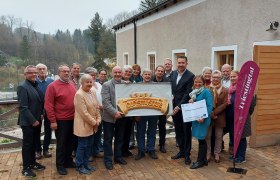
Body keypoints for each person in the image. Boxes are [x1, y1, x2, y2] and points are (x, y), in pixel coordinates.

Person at [45, 64, 77, 175]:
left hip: (73, 119)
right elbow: (48, 105)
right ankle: (60, 165)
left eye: (68, 71)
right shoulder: (52, 86)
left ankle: (68, 161)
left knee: (71, 142)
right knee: (62, 144)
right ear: (59, 73)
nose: (67, 73)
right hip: (61, 120)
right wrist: (53, 121)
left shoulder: (72, 84)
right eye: (64, 71)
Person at [17, 65, 45, 177]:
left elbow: (39, 102)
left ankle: (33, 163)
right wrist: (33, 120)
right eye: (30, 73)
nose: (33, 74)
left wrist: (42, 113)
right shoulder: (22, 87)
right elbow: (23, 107)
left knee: (34, 143)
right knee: (28, 145)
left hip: (37, 120)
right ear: (25, 75)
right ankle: (26, 168)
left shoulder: (35, 85)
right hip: (28, 122)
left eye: (34, 72)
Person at [74, 74, 101, 174]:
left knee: (89, 145)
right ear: (82, 83)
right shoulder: (79, 95)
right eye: (87, 82)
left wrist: (98, 119)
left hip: (93, 125)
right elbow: (84, 113)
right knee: (82, 146)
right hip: (83, 126)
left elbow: (97, 107)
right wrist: (95, 122)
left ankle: (86, 164)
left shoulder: (93, 92)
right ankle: (79, 165)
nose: (89, 84)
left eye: (91, 82)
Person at [227, 70, 256, 164]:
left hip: (241, 118)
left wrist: (245, 115)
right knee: (234, 137)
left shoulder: (245, 89)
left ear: (239, 77)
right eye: (231, 77)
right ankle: (235, 154)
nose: (232, 78)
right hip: (232, 118)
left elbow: (251, 105)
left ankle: (241, 157)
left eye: (234, 76)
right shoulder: (230, 89)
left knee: (241, 138)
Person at [102, 66, 127, 170]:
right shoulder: (106, 85)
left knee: (120, 138)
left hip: (121, 117)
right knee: (108, 140)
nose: (117, 74)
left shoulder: (125, 84)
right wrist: (114, 112)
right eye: (115, 72)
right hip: (109, 118)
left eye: (119, 72)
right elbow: (105, 102)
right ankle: (108, 160)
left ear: (122, 73)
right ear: (112, 73)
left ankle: (118, 157)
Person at [171, 56, 194, 165]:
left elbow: (187, 93)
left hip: (184, 108)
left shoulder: (190, 76)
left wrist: (178, 106)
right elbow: (171, 89)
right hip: (174, 107)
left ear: (186, 63)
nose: (180, 64)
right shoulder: (173, 74)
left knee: (186, 131)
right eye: (179, 62)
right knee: (178, 130)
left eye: (182, 63)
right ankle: (181, 150)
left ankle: (187, 154)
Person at [189, 75, 213, 169]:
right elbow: (195, 105)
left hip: (203, 119)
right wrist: (191, 101)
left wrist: (203, 117)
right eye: (196, 82)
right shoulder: (194, 93)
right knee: (201, 139)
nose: (197, 84)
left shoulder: (206, 91)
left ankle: (200, 162)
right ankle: (204, 160)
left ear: (203, 83)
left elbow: (209, 106)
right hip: (196, 119)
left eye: (199, 82)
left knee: (201, 139)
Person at [135, 69, 159, 160]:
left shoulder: (156, 86)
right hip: (141, 112)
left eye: (149, 74)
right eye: (146, 74)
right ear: (142, 75)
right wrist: (136, 114)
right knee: (140, 132)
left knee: (152, 131)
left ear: (151, 75)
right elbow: (135, 101)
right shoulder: (137, 86)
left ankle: (151, 149)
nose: (147, 76)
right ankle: (141, 150)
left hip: (153, 112)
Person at [206, 70, 228, 163]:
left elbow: (225, 103)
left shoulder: (225, 90)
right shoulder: (207, 89)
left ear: (220, 78)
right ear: (211, 78)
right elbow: (205, 102)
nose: (215, 79)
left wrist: (214, 113)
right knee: (208, 136)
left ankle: (217, 153)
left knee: (218, 136)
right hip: (208, 115)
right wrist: (210, 113)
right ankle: (208, 153)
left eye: (217, 77)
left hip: (220, 116)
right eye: (214, 77)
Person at [35, 63, 53, 159]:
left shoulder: (51, 81)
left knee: (48, 130)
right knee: (37, 130)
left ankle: (46, 149)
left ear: (46, 70)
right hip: (37, 110)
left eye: (43, 69)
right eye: (40, 69)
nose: (42, 70)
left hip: (49, 109)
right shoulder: (34, 82)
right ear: (36, 71)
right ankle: (38, 150)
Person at [84, 67, 103, 159]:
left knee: (98, 133)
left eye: (95, 75)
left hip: (100, 113)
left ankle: (96, 150)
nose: (93, 77)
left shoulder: (99, 85)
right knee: (90, 134)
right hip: (90, 113)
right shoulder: (85, 86)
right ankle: (89, 154)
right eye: (92, 75)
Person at [152, 65, 168, 153]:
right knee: (152, 126)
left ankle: (162, 144)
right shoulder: (150, 80)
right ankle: (150, 145)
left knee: (162, 126)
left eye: (162, 71)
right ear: (155, 71)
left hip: (162, 107)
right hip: (152, 107)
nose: (160, 72)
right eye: (159, 71)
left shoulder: (167, 81)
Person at [121, 65, 134, 157]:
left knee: (128, 132)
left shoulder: (132, 83)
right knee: (121, 133)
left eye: (130, 72)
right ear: (122, 73)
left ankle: (125, 150)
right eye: (126, 71)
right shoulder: (119, 83)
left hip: (130, 112)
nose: (128, 73)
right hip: (121, 112)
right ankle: (120, 151)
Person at [129, 64, 143, 149]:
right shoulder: (127, 79)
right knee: (131, 125)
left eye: (138, 70)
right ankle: (131, 141)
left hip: (140, 104)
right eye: (134, 69)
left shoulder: (142, 79)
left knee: (139, 125)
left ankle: (139, 141)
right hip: (131, 104)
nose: (136, 71)